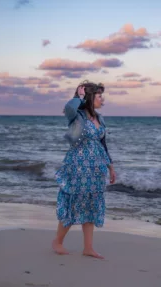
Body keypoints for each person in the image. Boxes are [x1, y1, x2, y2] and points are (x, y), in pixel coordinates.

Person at [52, 80, 116, 259]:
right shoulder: (77, 116)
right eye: (99, 96)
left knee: (91, 205)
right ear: (89, 97)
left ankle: (88, 247)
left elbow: (103, 144)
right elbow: (69, 108)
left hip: (96, 169)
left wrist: (111, 167)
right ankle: (57, 241)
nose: (102, 100)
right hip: (77, 167)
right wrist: (78, 97)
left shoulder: (99, 118)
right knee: (73, 202)